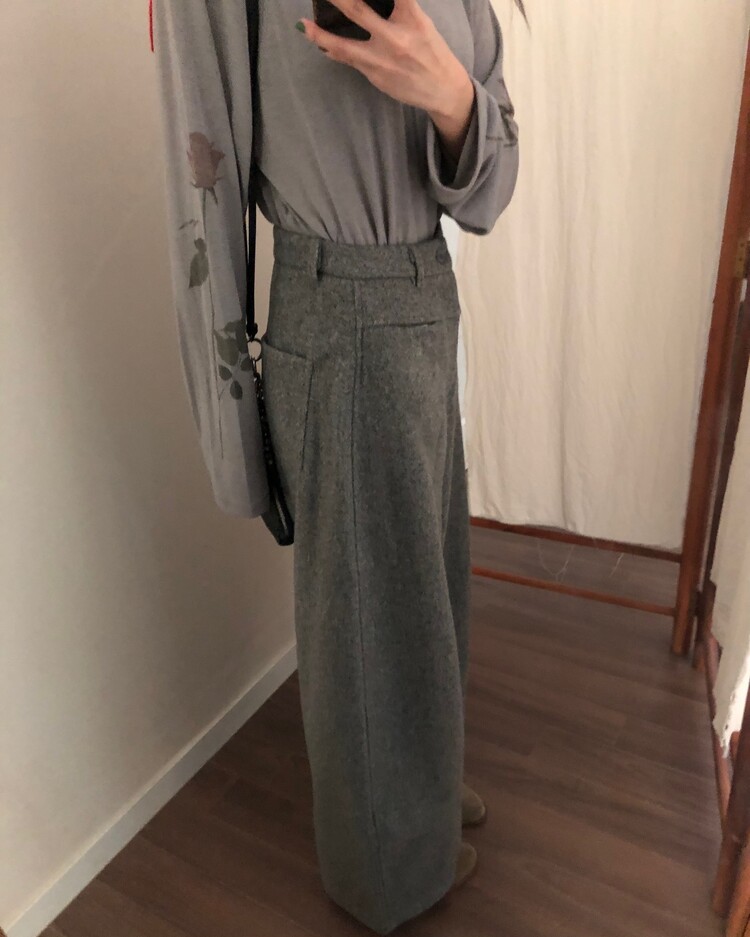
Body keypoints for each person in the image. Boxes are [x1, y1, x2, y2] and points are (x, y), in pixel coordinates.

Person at [151, 0, 519, 932]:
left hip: (427, 291)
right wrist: (234, 423)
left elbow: (490, 188)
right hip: (339, 296)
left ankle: (420, 789)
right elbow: (203, 170)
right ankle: (383, 873)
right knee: (364, 616)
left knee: (426, 584)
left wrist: (452, 98)